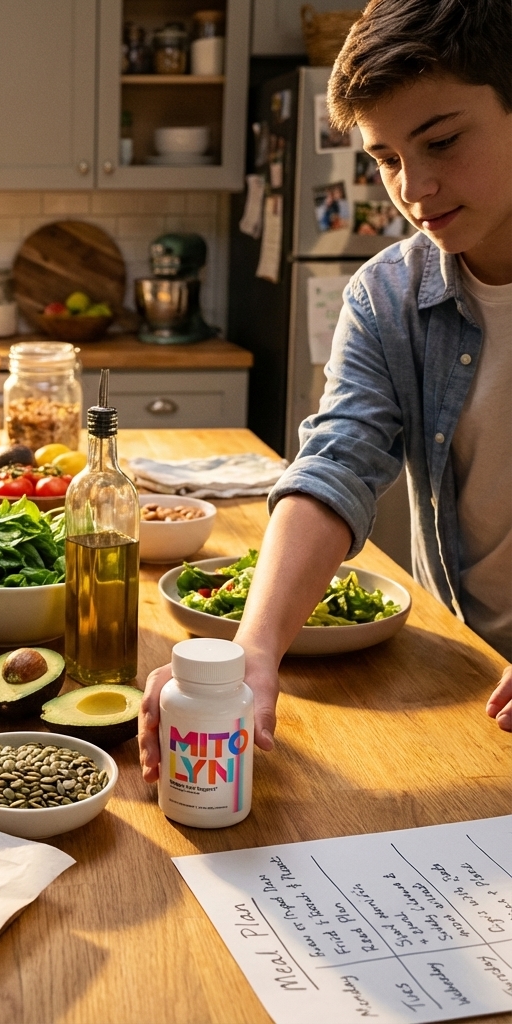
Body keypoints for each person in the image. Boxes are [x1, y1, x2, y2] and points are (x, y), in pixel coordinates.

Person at [139, 0, 512, 783]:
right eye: (385, 157)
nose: (414, 187)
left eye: (441, 140)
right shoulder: (389, 297)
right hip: (471, 688)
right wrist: (250, 650)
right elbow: (336, 463)